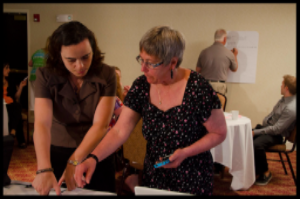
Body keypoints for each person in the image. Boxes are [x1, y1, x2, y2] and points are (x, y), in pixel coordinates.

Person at [74, 25, 227, 195]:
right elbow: (119, 131)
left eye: (150, 63)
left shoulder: (198, 89)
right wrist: (93, 158)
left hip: (192, 176)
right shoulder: (142, 86)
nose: (142, 68)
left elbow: (219, 133)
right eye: (141, 60)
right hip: (154, 175)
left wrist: (185, 152)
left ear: (173, 62)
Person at [31, 21, 117, 195]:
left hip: (95, 153)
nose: (80, 66)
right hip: (57, 150)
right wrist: (44, 168)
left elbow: (100, 125)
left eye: (86, 56)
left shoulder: (107, 74)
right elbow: (42, 124)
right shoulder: (45, 76)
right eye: (71, 60)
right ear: (58, 56)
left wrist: (74, 161)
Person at [252, 75, 296, 186]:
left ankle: (266, 173)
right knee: (244, 134)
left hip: (277, 135)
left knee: (256, 144)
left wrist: (256, 132)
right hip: (269, 129)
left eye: (282, 84)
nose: (280, 86)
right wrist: (261, 127)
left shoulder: (291, 108)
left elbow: (277, 129)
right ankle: (252, 169)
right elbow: (271, 115)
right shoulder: (283, 99)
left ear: (286, 88)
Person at [195, 29, 238, 95]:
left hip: (204, 85)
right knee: (218, 105)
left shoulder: (204, 52)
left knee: (204, 105)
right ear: (224, 39)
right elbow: (234, 69)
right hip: (219, 86)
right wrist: (234, 55)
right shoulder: (229, 53)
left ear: (215, 38)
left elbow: (198, 69)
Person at [3, 61, 27, 148]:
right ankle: (20, 139)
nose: (9, 70)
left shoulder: (10, 81)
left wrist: (20, 87)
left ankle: (13, 132)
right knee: (17, 110)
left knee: (16, 107)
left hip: (11, 105)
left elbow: (15, 97)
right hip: (4, 105)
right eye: (6, 68)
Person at [28, 36, 51, 111]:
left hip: (32, 76)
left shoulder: (38, 51)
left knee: (34, 98)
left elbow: (30, 63)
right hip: (40, 77)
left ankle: (35, 116)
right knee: (42, 99)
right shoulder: (49, 54)